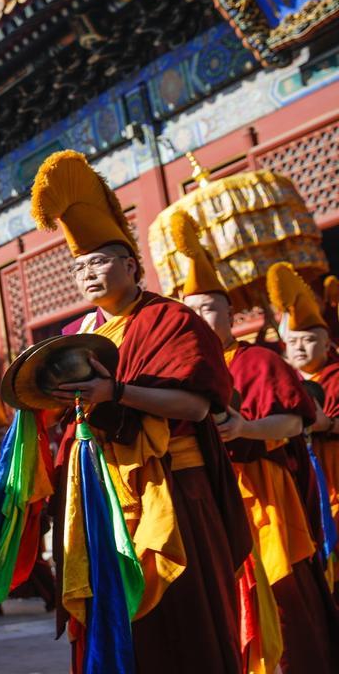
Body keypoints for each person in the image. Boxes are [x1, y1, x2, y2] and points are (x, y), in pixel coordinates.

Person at [30, 150, 248, 674]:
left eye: (100, 260)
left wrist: (117, 394)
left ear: (131, 263)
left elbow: (195, 405)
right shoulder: (76, 339)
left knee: (186, 619)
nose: (87, 273)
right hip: (105, 496)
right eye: (78, 267)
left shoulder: (169, 320)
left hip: (176, 488)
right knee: (126, 630)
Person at [176, 222, 339, 670]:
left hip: (263, 494)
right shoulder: (182, 372)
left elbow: (291, 422)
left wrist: (245, 429)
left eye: (211, 309)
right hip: (210, 497)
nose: (202, 320)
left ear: (231, 314)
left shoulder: (258, 360)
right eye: (191, 312)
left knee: (282, 595)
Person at [273, 263, 339, 560]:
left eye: (309, 340)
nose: (300, 348)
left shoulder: (336, 375)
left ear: (327, 344)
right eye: (293, 342)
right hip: (306, 479)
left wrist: (328, 425)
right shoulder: (282, 382)